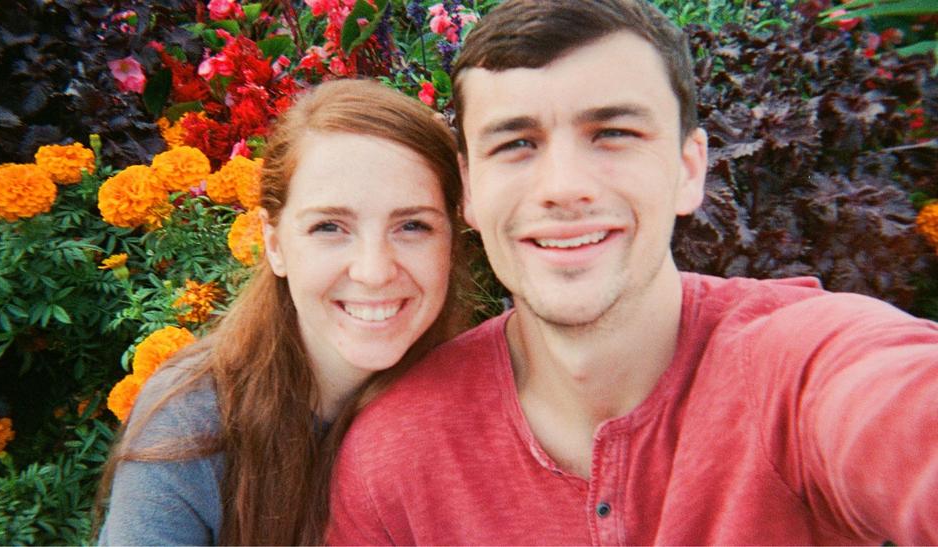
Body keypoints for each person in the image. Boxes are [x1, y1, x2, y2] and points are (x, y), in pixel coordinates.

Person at [327, 0, 938, 544]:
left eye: (613, 133)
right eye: (515, 144)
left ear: (688, 169)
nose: (563, 187)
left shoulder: (799, 369)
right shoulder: (394, 457)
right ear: (468, 190)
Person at [95, 78, 471, 545]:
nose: (374, 271)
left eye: (412, 226)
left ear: (451, 241)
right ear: (274, 245)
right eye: (329, 227)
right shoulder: (194, 421)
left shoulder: (490, 408)